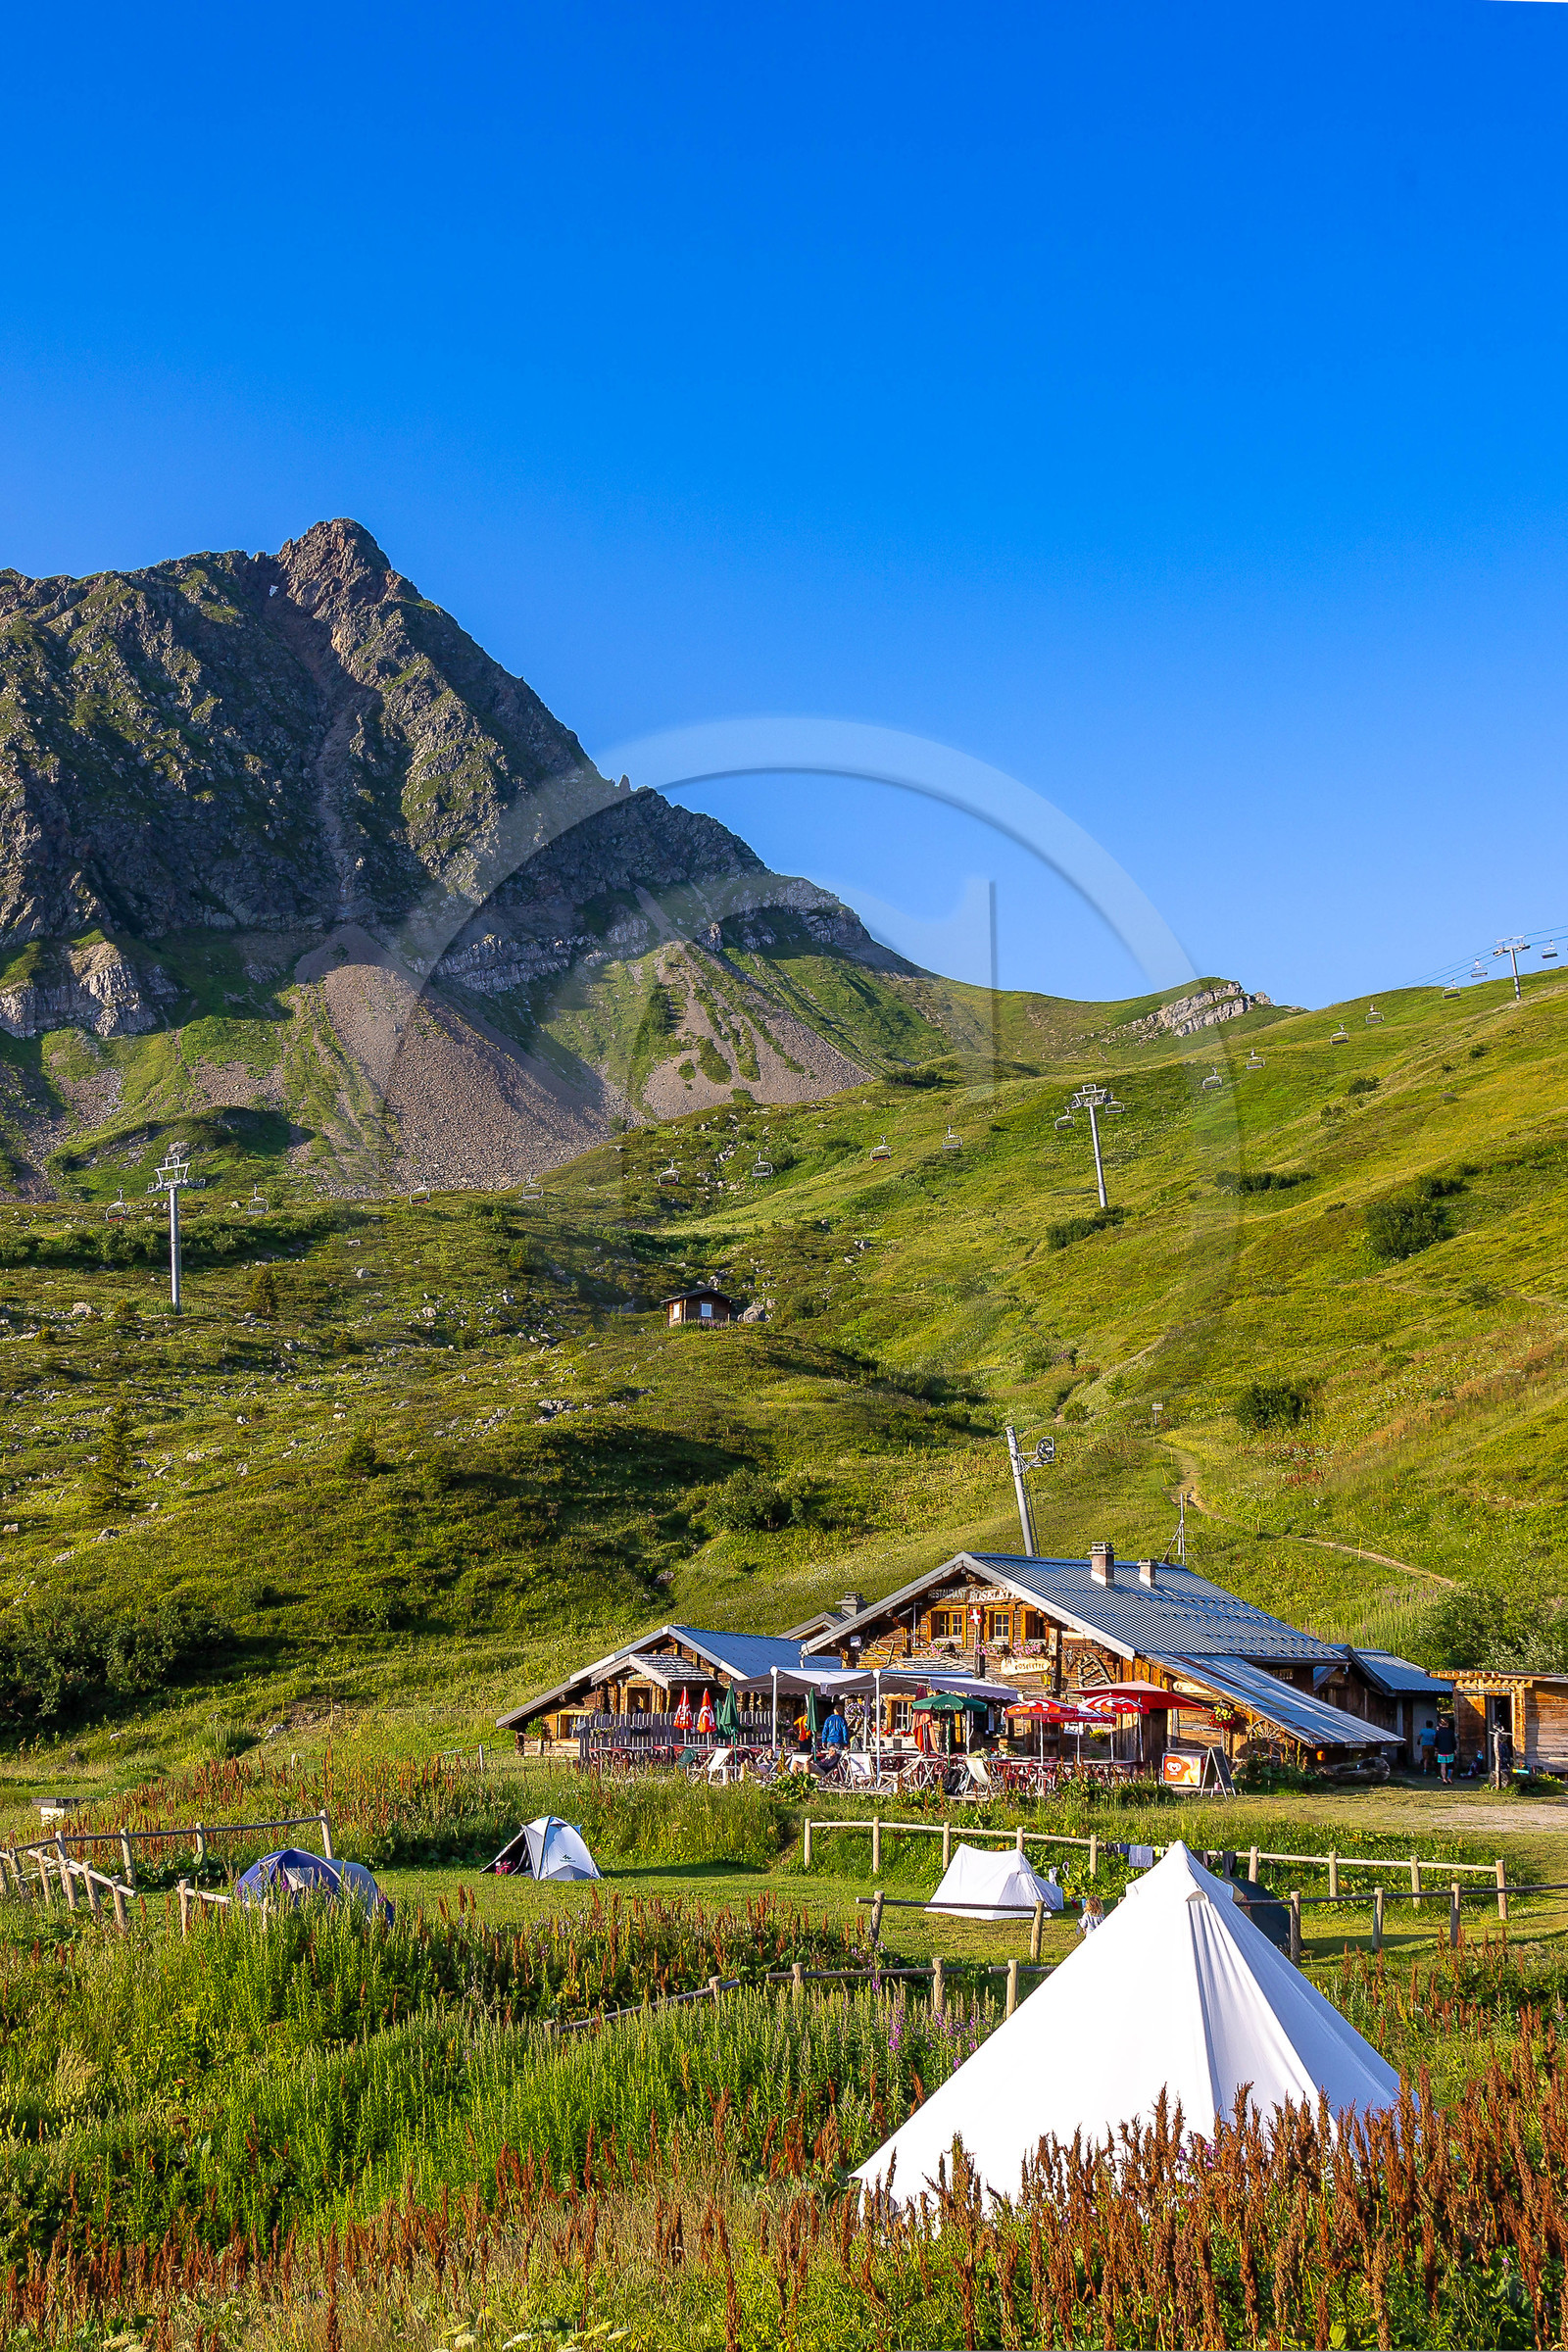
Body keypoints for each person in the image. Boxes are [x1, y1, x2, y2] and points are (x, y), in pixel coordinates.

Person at [1434, 1714, 1457, 1785]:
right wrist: (1455, 1749)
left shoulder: (1438, 1732)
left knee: (1443, 1766)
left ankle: (1444, 1779)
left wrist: (1436, 1749)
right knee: (1450, 1765)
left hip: (1441, 1751)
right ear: (1448, 1724)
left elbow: (1436, 1742)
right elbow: (1454, 1741)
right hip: (1450, 1750)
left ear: (1440, 1724)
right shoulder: (1451, 1732)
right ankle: (1449, 1778)